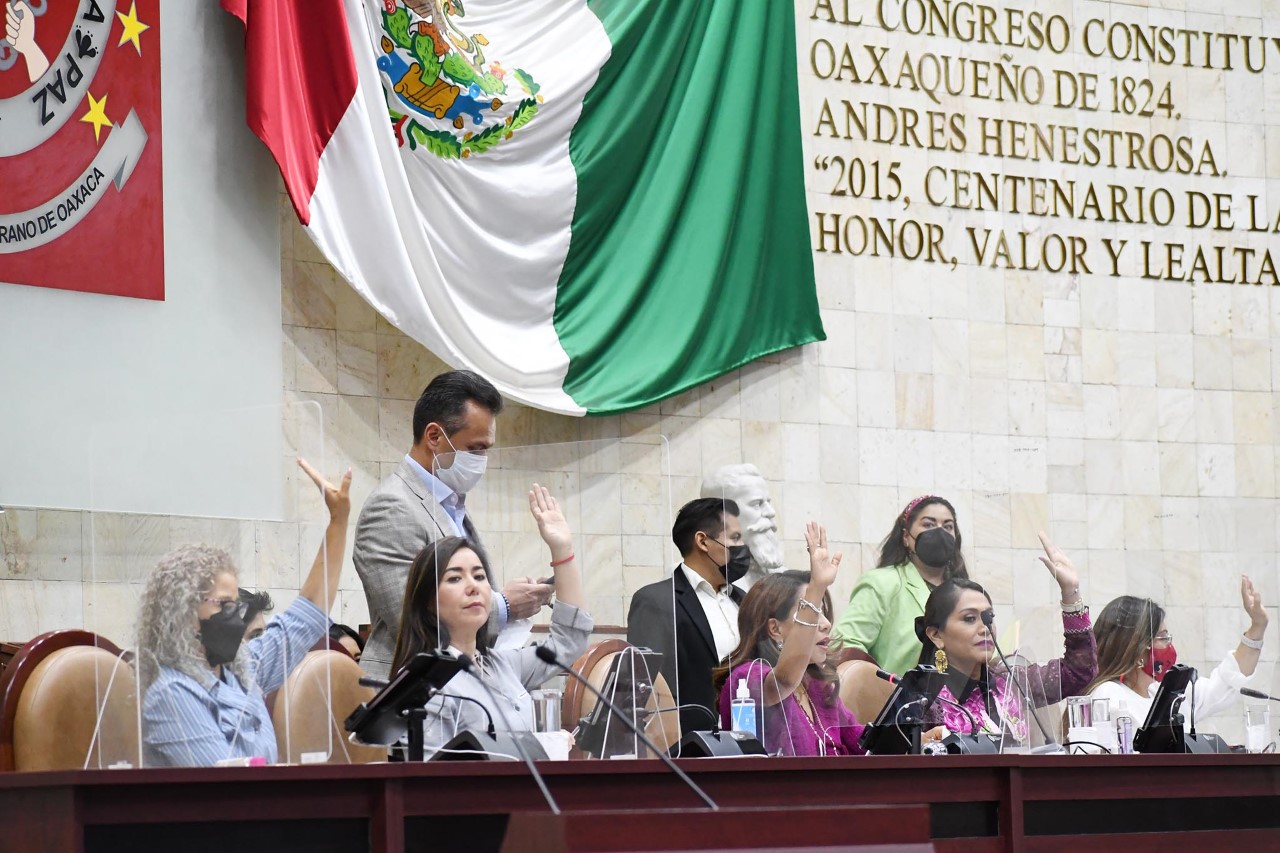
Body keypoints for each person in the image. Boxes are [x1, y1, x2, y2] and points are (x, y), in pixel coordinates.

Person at [137, 460, 351, 767]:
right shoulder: (171, 693)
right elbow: (227, 788)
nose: (236, 617)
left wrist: (338, 523)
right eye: (224, 605)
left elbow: (304, 617)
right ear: (181, 612)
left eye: (237, 605)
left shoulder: (240, 668)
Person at [354, 370, 553, 679]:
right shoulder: (392, 506)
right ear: (434, 437)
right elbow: (410, 621)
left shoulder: (452, 503)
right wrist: (505, 606)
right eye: (475, 449)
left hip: (463, 686)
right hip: (408, 697)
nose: (482, 459)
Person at [390, 485, 591, 759]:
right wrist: (541, 747)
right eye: (454, 578)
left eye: (479, 576)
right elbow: (434, 781)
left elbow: (570, 642)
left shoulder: (500, 664)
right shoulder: (425, 682)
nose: (473, 587)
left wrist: (562, 550)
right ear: (426, 600)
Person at [914, 534, 1097, 743]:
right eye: (969, 618)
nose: (985, 628)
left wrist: (1070, 593)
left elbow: (1080, 671)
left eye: (988, 617)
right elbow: (877, 750)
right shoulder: (920, 698)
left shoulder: (1010, 683)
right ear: (936, 635)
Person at [714, 522, 864, 756]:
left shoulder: (819, 687)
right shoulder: (746, 678)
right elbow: (784, 681)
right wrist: (816, 587)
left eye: (822, 611)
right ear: (774, 629)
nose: (825, 623)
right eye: (812, 611)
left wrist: (916, 737)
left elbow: (865, 745)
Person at [627, 498, 749, 737]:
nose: (743, 547)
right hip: (692, 748)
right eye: (734, 538)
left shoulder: (743, 601)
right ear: (703, 541)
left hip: (752, 741)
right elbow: (648, 689)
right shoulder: (657, 601)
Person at [1081, 577, 1268, 726]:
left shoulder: (1165, 693)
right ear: (1137, 648)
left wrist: (1257, 627)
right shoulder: (1109, 695)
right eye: (1162, 637)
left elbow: (1225, 684)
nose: (1169, 646)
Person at [831, 495, 969, 677]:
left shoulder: (967, 594)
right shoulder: (882, 583)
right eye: (928, 524)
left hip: (960, 704)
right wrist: (880, 688)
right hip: (892, 701)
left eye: (947, 526)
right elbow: (844, 646)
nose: (939, 532)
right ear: (906, 537)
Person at [700, 463, 784, 590]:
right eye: (756, 503)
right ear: (722, 513)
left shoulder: (785, 579)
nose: (771, 512)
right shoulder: (691, 579)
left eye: (768, 502)